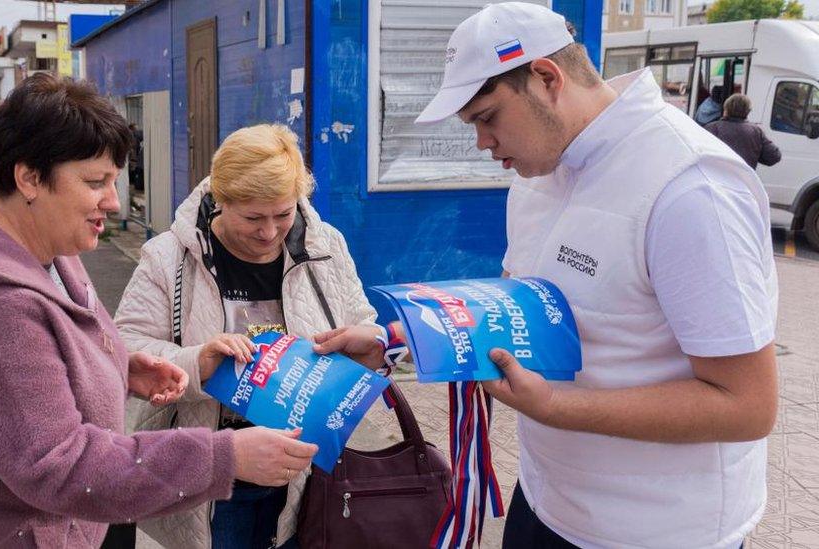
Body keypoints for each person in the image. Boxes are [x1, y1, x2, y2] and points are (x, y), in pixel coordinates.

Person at [321, 3, 778, 548]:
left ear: (545, 77)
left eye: (487, 117)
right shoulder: (540, 172)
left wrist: (559, 408)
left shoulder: (690, 188)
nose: (482, 145)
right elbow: (512, 318)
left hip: (657, 531)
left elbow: (746, 405)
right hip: (544, 505)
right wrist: (397, 344)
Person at [0, 74, 317, 548]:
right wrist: (224, 458)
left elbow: (43, 362)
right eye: (95, 182)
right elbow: (56, 464)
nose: (115, 201)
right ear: (29, 178)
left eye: (115, 181)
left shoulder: (46, 248)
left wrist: (118, 365)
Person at [115, 123, 379, 548]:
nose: (270, 232)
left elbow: (364, 323)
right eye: (253, 217)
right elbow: (124, 347)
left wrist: (370, 344)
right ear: (221, 199)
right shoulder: (170, 258)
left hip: (308, 473)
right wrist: (199, 361)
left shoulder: (325, 246)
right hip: (221, 477)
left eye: (283, 214)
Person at [705, 93, 782, 169]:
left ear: (726, 109)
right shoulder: (756, 131)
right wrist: (756, 154)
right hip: (743, 179)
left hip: (715, 178)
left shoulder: (711, 128)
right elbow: (774, 156)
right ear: (748, 112)